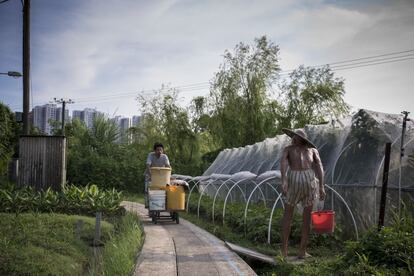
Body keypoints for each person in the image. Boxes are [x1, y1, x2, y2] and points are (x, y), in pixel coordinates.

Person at [280, 128, 326, 259]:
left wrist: (322, 186)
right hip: (299, 179)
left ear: (302, 139)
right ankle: (286, 251)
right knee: (290, 215)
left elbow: (319, 167)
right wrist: (283, 179)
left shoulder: (311, 151)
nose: (293, 138)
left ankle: (300, 251)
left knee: (303, 217)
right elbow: (283, 162)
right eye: (293, 136)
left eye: (296, 137)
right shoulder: (288, 149)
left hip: (306, 181)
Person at [144, 142, 171, 208]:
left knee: (162, 190)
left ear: (163, 150)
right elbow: (148, 165)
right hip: (150, 175)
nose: (159, 151)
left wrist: (169, 174)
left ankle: (162, 204)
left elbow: (168, 166)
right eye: (158, 150)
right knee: (148, 190)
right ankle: (148, 204)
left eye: (161, 150)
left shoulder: (164, 156)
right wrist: (151, 175)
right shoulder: (151, 155)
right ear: (154, 150)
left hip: (161, 176)